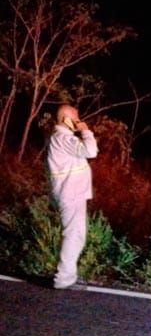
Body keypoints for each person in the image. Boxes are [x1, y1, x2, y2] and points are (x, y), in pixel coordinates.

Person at [47, 105, 98, 289]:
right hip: (71, 193)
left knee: (76, 235)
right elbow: (91, 151)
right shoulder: (63, 138)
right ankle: (64, 279)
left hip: (71, 192)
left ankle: (67, 276)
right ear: (66, 119)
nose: (78, 121)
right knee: (73, 235)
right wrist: (85, 131)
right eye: (76, 118)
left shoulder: (60, 138)